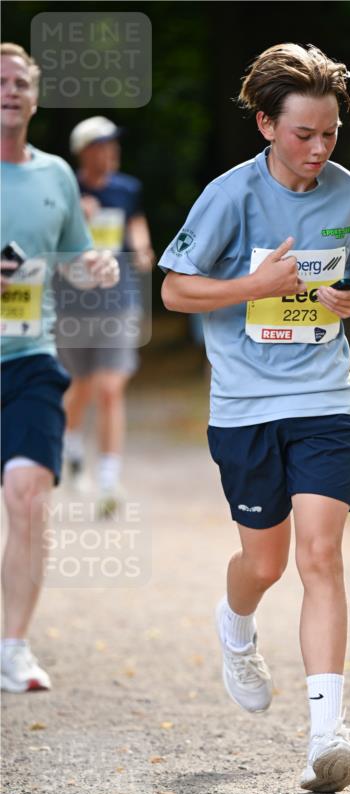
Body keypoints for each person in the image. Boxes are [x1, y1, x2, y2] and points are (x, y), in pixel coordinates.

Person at [159, 43, 350, 793]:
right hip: (246, 407)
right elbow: (176, 293)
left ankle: (327, 736)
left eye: (329, 134)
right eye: (302, 135)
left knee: (320, 556)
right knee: (265, 563)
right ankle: (235, 625)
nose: (318, 149)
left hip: (323, 401)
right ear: (265, 125)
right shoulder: (229, 196)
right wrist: (254, 284)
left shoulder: (349, 194)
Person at [1, 44, 119, 693]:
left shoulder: (55, 178)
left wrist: (93, 267)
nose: (10, 90)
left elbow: (74, 257)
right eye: (1, 81)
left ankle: (13, 646)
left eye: (21, 82)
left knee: (27, 495)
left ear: (35, 97)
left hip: (28, 359)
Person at [56, 116, 155, 516]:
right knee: (79, 385)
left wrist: (143, 249)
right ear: (84, 152)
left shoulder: (127, 189)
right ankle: (72, 446)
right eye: (102, 145)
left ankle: (109, 482)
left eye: (114, 144)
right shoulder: (65, 189)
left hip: (118, 300)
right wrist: (77, 215)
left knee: (110, 388)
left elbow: (136, 226)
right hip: (71, 303)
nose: (111, 152)